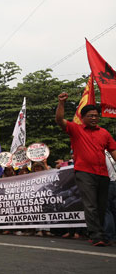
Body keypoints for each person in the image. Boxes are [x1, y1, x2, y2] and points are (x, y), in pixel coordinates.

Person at [56, 93, 116, 246]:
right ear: (83, 118)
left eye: (96, 115)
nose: (94, 118)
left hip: (103, 174)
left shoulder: (104, 133)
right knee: (91, 205)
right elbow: (59, 120)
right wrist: (61, 103)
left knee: (102, 206)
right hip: (84, 173)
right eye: (90, 116)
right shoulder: (76, 129)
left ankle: (102, 234)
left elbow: (113, 151)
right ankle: (96, 236)